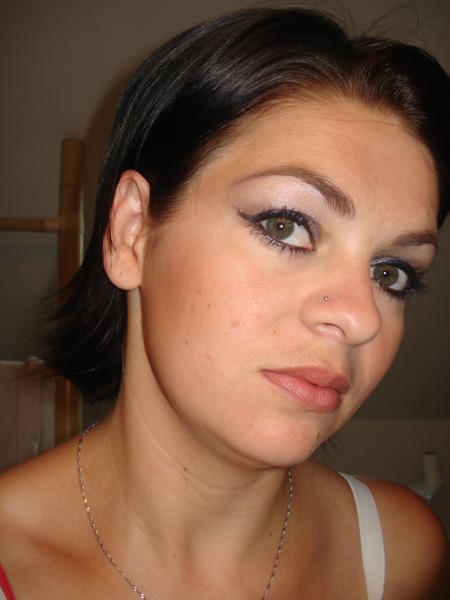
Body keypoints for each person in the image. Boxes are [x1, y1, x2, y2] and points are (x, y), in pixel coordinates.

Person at [0, 6, 449, 599]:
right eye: (286, 225)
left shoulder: (400, 554)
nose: (360, 317)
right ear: (133, 232)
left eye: (391, 273)